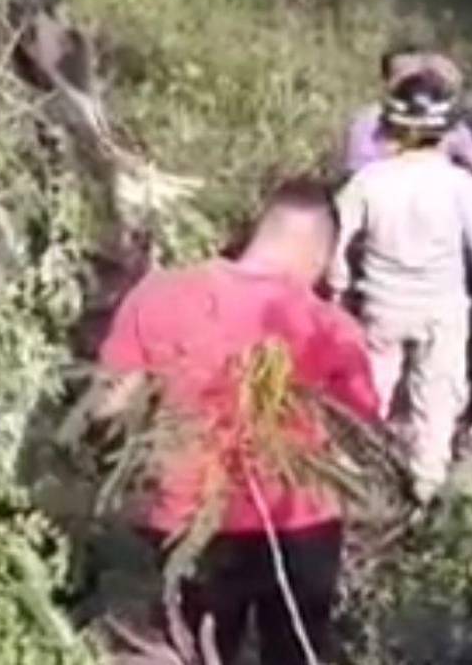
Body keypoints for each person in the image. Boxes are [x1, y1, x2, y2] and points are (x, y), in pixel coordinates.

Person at [96, 178, 379, 665]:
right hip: (299, 525)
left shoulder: (160, 294)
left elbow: (107, 406)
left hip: (192, 524)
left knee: (196, 652)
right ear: (318, 251)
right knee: (296, 653)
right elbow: (362, 430)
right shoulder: (331, 327)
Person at [330, 71, 472, 503]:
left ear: (391, 128)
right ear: (445, 132)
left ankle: (352, 474)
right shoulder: (461, 186)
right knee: (437, 398)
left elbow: (332, 238)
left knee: (372, 388)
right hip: (442, 310)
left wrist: (338, 285)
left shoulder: (369, 182)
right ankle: (426, 486)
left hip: (381, 304)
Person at [339, 47, 472, 188]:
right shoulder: (366, 122)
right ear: (387, 81)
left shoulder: (442, 122)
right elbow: (355, 173)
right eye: (404, 75)